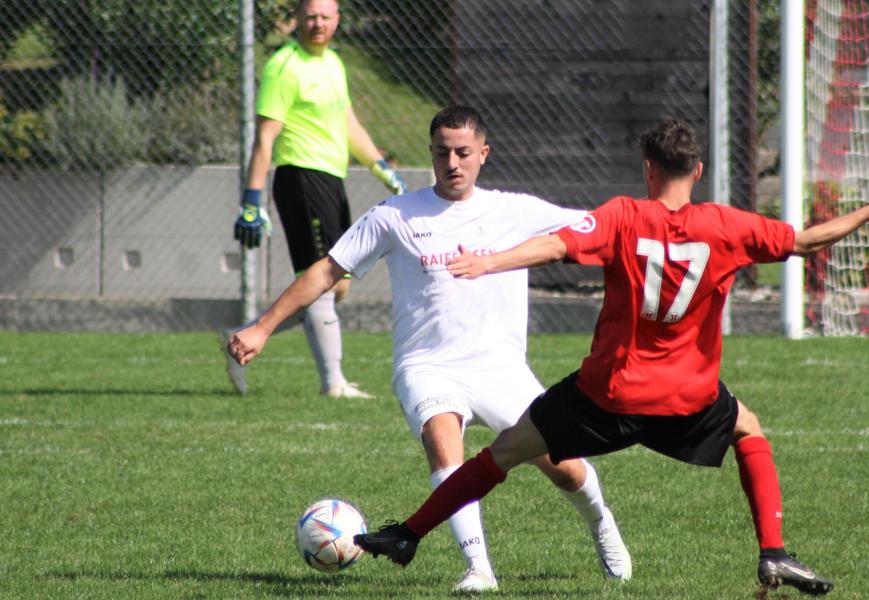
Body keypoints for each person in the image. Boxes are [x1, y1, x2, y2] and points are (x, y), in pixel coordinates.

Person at [352, 118, 869, 595]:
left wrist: (488, 261)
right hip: (688, 396)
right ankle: (773, 551)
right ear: (697, 171)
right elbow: (805, 241)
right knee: (748, 428)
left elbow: (555, 246)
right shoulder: (727, 226)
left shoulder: (624, 215)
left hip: (607, 393)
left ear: (648, 170)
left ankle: (409, 533)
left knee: (500, 455)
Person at [228, 105, 632, 592]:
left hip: (501, 369)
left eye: (464, 152)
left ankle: (602, 524)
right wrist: (263, 328)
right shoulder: (395, 215)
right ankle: (478, 569)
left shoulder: (517, 211)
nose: (453, 162)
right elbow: (326, 270)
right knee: (444, 443)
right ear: (431, 154)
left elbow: (608, 232)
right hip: (427, 365)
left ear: (484, 153)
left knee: (563, 469)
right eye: (442, 153)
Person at [223, 0, 407, 398]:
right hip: (300, 179)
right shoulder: (284, 67)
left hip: (331, 180)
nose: (317, 23)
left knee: (336, 284)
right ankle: (333, 383)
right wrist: (251, 199)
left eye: (325, 16)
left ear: (337, 20)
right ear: (298, 21)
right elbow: (265, 137)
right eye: (310, 17)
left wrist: (379, 166)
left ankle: (244, 335)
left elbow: (347, 123)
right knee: (322, 279)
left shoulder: (333, 63)